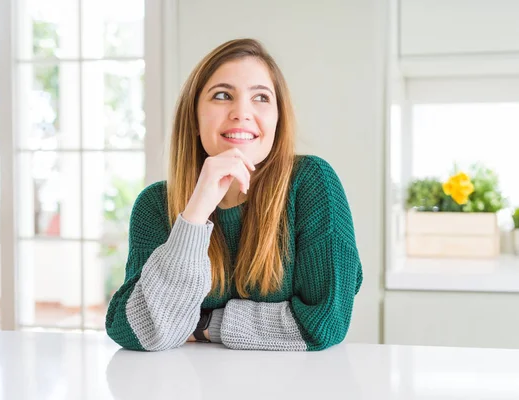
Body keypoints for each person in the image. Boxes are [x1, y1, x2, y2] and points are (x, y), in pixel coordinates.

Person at [105, 38, 363, 352]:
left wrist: (202, 325)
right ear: (195, 119)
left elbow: (324, 323)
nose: (242, 113)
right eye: (223, 95)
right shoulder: (156, 205)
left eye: (261, 98)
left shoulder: (311, 183)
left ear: (277, 120)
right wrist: (195, 215)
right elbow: (134, 329)